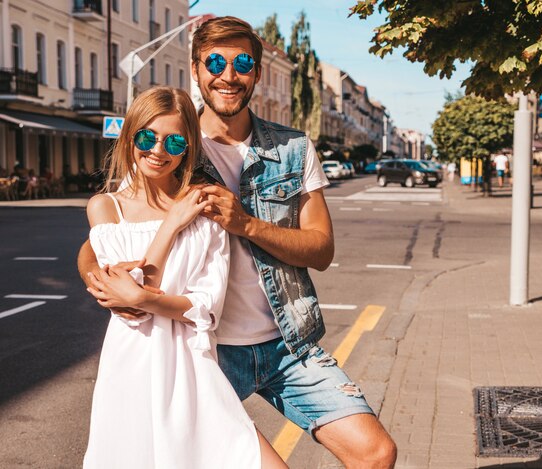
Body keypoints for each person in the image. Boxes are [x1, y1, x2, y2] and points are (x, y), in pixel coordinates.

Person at [78, 16, 396, 468]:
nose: (229, 75)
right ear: (195, 69)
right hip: (207, 347)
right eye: (216, 62)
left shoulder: (294, 148)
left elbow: (322, 250)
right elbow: (114, 226)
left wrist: (245, 223)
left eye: (242, 62)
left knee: (376, 453)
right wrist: (104, 282)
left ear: (257, 73)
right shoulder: (171, 141)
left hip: (287, 343)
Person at [81, 86, 285, 468]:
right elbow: (130, 306)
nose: (158, 150)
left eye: (173, 141)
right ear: (130, 138)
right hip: (132, 368)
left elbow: (206, 307)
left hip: (193, 369)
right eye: (147, 137)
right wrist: (170, 225)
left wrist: (144, 297)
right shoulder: (105, 208)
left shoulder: (205, 208)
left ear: (187, 147)